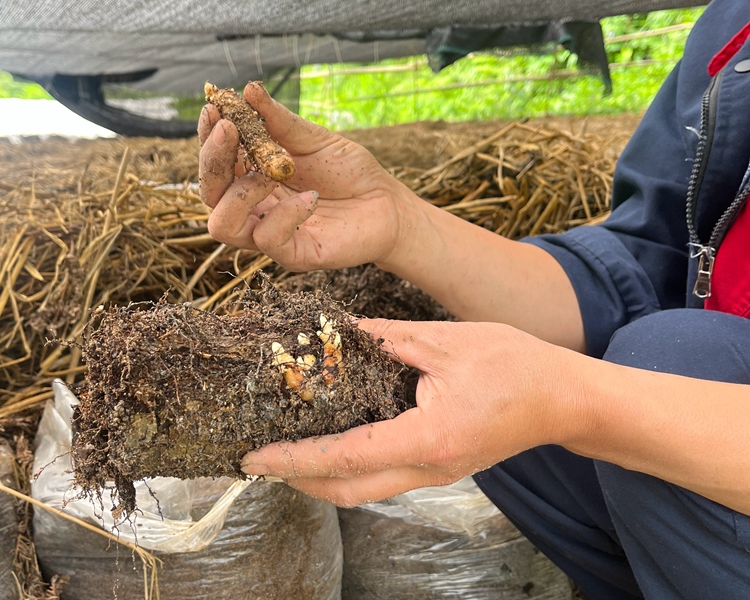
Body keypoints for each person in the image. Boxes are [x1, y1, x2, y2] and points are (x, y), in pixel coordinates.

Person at [197, 1, 750, 597]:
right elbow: (645, 274)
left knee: (670, 358)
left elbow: (652, 355)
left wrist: (574, 400)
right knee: (480, 384)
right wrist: (401, 224)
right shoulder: (734, 30)